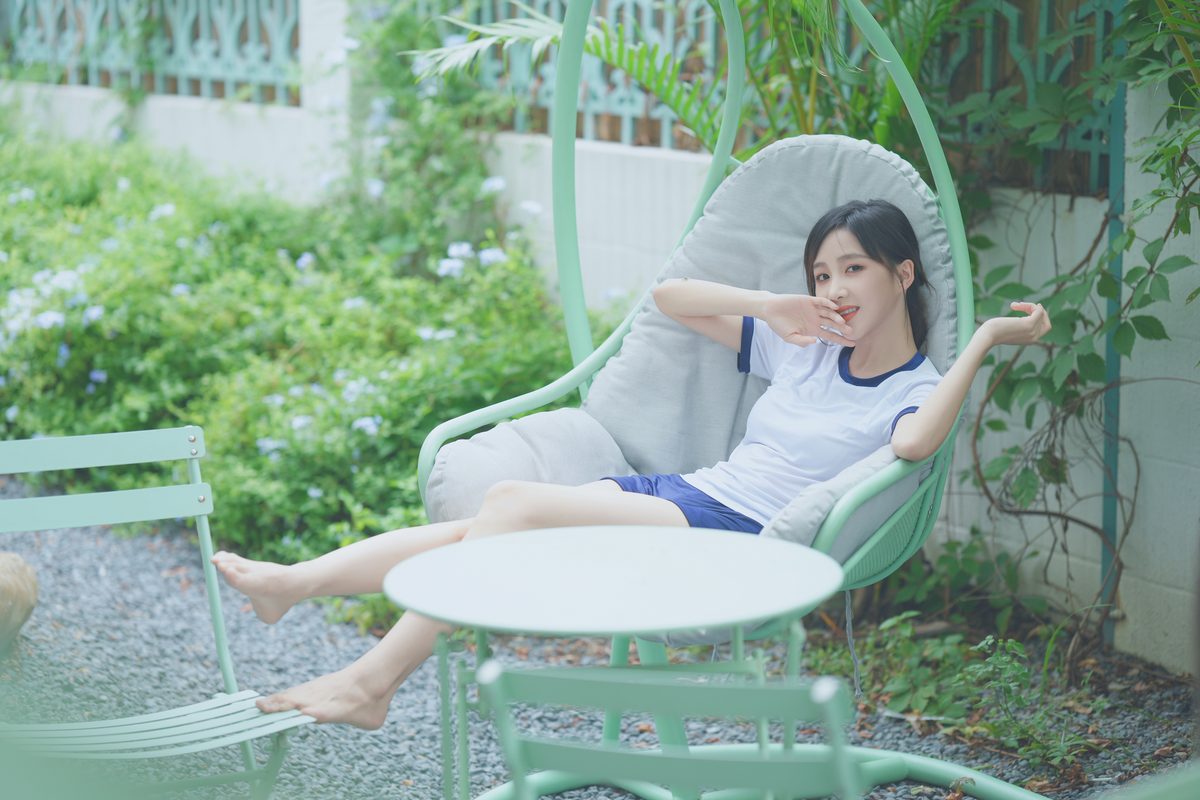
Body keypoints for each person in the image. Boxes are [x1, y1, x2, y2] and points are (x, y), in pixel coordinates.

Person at [211, 199, 1051, 729]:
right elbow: (669, 299)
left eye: (854, 269)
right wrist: (772, 303)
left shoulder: (914, 388)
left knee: (510, 504)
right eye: (822, 272)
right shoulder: (803, 347)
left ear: (903, 275)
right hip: (686, 496)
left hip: (736, 533)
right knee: (486, 527)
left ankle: (371, 679)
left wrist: (981, 338)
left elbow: (913, 447)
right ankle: (295, 585)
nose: (833, 288)